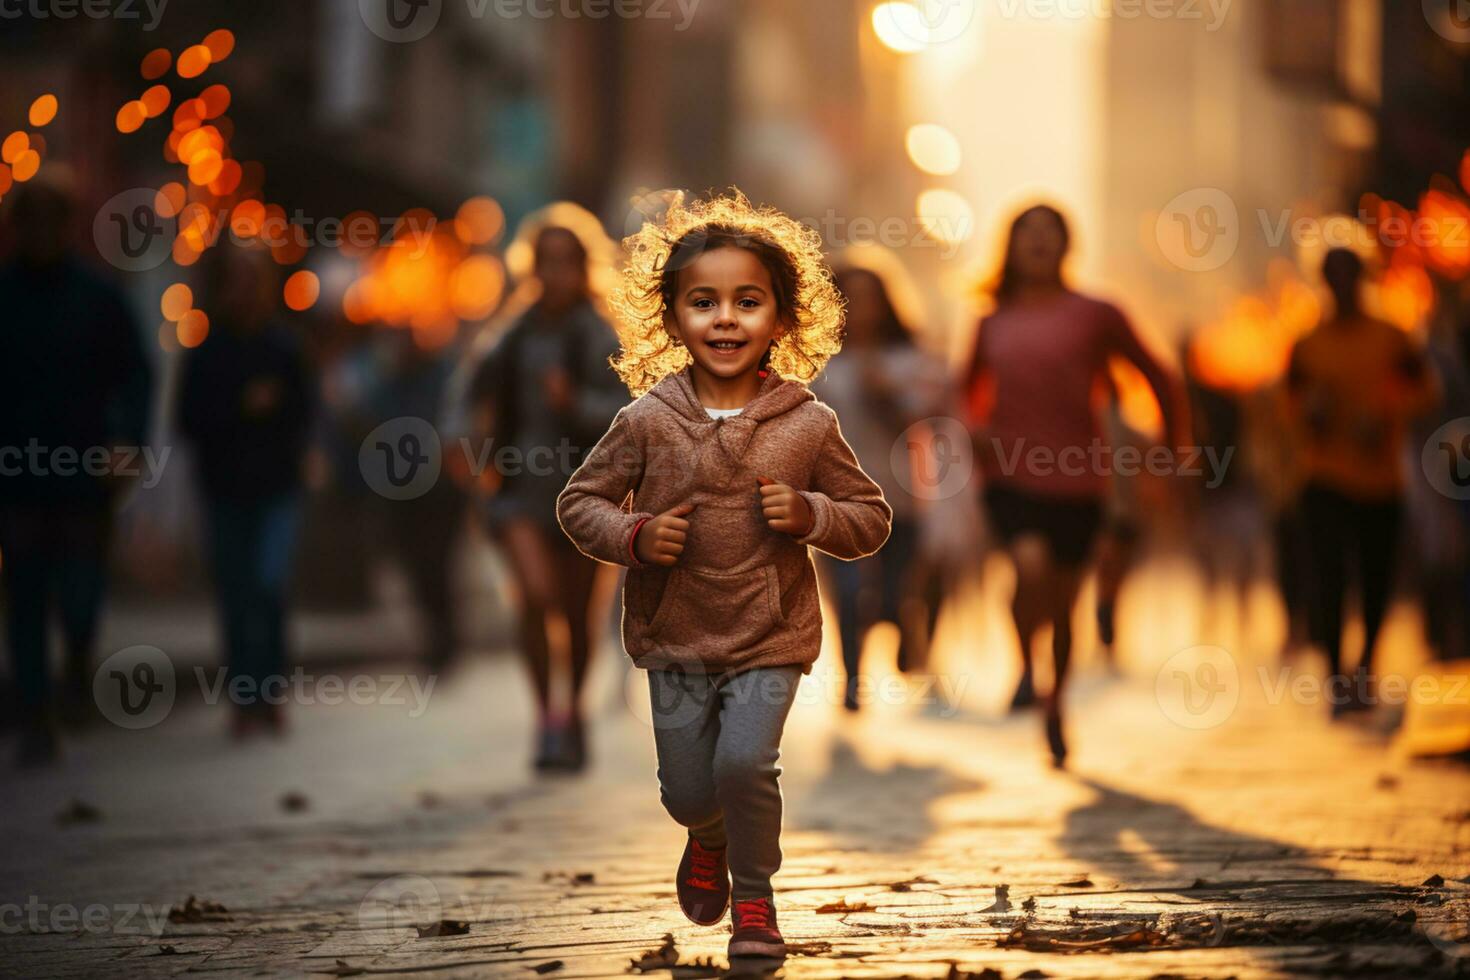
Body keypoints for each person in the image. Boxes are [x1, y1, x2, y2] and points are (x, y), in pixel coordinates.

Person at [557, 192, 891, 960]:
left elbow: (868, 517)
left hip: (772, 635)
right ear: (672, 318)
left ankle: (757, 903)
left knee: (745, 764)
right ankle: (705, 835)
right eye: (703, 302)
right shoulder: (644, 419)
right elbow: (580, 503)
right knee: (687, 790)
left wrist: (811, 513)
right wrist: (636, 535)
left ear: (781, 318)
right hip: (673, 636)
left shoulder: (809, 423)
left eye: (748, 301)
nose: (727, 319)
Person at [964, 203, 1183, 767]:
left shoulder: (1096, 314)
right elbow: (963, 392)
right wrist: (971, 429)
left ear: (1068, 246)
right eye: (1026, 233)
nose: (1038, 243)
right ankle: (1022, 665)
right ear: (1009, 247)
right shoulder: (992, 321)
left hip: (1081, 480)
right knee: (1028, 565)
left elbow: (1157, 374)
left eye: (1050, 233)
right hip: (1008, 472)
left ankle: (1055, 697)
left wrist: (1174, 447)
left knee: (1064, 606)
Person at [452, 211, 625, 771]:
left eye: (565, 262)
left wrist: (574, 402)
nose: (554, 273)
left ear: (582, 268)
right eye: (544, 262)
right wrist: (457, 440)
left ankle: (572, 711)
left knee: (577, 616)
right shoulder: (511, 334)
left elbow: (630, 413)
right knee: (535, 597)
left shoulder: (600, 334)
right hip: (519, 488)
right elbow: (464, 393)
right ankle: (546, 718)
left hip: (585, 494)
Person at [0, 172, 154, 766]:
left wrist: (127, 442)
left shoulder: (98, 297)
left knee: (82, 593)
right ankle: (36, 711)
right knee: (26, 595)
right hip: (17, 478)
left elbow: (137, 375)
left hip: (86, 476)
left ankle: (78, 663)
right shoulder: (4, 296)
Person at [1285, 248, 1436, 716]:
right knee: (1328, 580)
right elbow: (1286, 403)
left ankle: (1365, 666)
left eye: (1350, 276)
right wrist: (1311, 415)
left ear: (1363, 280)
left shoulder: (1390, 338)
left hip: (1380, 482)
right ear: (1324, 283)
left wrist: (1386, 415)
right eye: (1333, 277)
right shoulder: (1308, 344)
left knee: (1376, 581)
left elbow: (1426, 389)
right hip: (1325, 479)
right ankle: (1335, 678)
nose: (1342, 285)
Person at [177, 244, 315, 738]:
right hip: (225, 492)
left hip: (277, 490)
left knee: (268, 585)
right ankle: (243, 695)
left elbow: (305, 414)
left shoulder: (284, 348)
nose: (245, 289)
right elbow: (187, 420)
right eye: (237, 279)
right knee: (235, 592)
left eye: (253, 279)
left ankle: (270, 690)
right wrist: (241, 407)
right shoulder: (208, 350)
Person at [815, 261, 953, 709]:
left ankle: (904, 637)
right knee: (849, 591)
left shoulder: (909, 361)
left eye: (870, 298)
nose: (861, 310)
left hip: (901, 497)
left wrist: (885, 392)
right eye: (850, 298)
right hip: (836, 499)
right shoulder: (819, 366)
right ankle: (853, 680)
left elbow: (926, 424)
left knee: (895, 593)